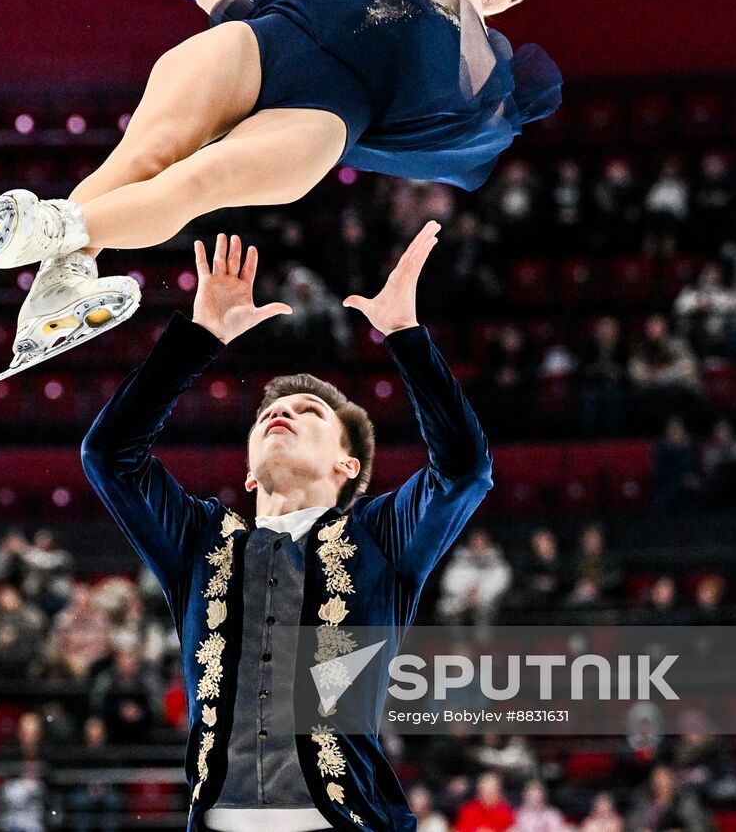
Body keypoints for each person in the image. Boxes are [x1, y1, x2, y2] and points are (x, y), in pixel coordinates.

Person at [0, 0, 560, 379]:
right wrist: (237, 17)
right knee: (140, 157)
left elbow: (474, 102)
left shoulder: (477, 55)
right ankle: (56, 283)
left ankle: (39, 226)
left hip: (320, 117)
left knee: (197, 180)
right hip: (261, 45)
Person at [82, 226, 494, 830]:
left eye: (311, 411)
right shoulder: (200, 542)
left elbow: (464, 470)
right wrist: (197, 340)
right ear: (249, 475)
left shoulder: (380, 537)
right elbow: (108, 454)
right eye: (270, 412)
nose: (281, 411)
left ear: (346, 466)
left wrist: (405, 337)